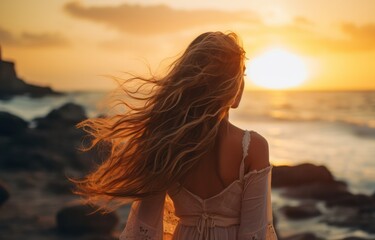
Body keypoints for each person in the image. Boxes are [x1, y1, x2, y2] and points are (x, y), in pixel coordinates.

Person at [74, 31, 277, 240]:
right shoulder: (252, 148)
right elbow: (254, 234)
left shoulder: (165, 142)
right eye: (240, 75)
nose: (242, 84)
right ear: (230, 85)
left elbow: (146, 226)